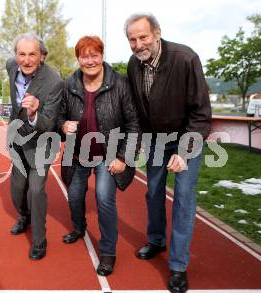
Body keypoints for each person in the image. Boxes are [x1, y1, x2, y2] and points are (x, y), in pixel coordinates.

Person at [124, 13, 212, 293]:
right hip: (155, 141)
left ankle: (178, 266)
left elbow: (201, 114)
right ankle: (156, 239)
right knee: (153, 192)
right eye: (132, 39)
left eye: (143, 37)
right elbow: (138, 110)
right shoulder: (133, 65)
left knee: (184, 198)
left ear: (157, 33)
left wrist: (185, 152)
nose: (138, 44)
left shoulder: (186, 58)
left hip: (187, 137)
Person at [57, 36, 141, 276]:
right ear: (78, 59)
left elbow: (134, 123)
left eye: (95, 55)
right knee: (74, 196)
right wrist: (63, 125)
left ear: (102, 56)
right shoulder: (69, 84)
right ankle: (79, 227)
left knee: (104, 197)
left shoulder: (120, 84)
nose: (90, 60)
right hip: (78, 153)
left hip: (109, 153)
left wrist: (124, 157)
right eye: (85, 56)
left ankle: (107, 251)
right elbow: (59, 115)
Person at [6, 33, 62, 260]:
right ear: (16, 55)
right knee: (17, 190)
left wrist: (34, 112)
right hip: (18, 140)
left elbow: (49, 123)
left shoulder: (54, 82)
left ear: (42, 56)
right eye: (22, 54)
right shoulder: (11, 66)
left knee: (36, 191)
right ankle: (25, 216)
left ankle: (39, 240)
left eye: (32, 54)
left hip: (42, 142)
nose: (26, 60)